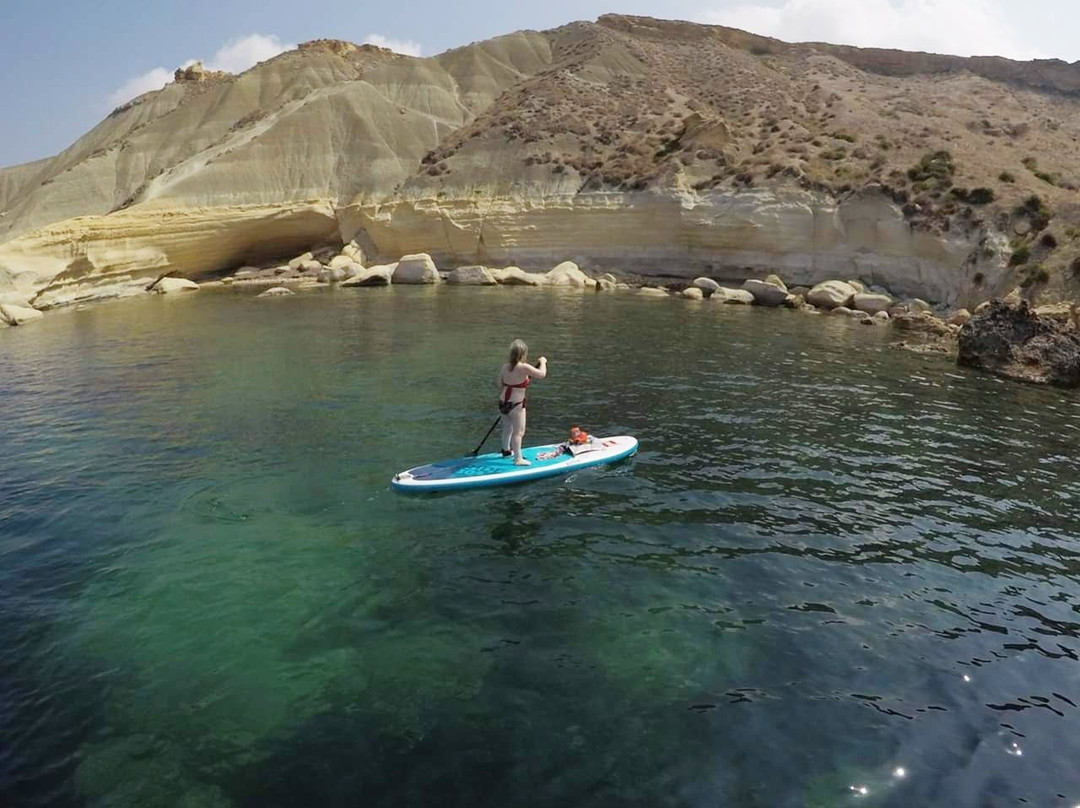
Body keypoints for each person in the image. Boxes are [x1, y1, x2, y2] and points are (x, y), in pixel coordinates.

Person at [498, 339, 547, 465]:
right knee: (518, 432)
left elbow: (499, 384)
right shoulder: (524, 367)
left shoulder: (505, 366)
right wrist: (543, 362)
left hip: (503, 402)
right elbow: (541, 374)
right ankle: (518, 459)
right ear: (523, 353)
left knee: (507, 428)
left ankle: (506, 450)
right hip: (516, 404)